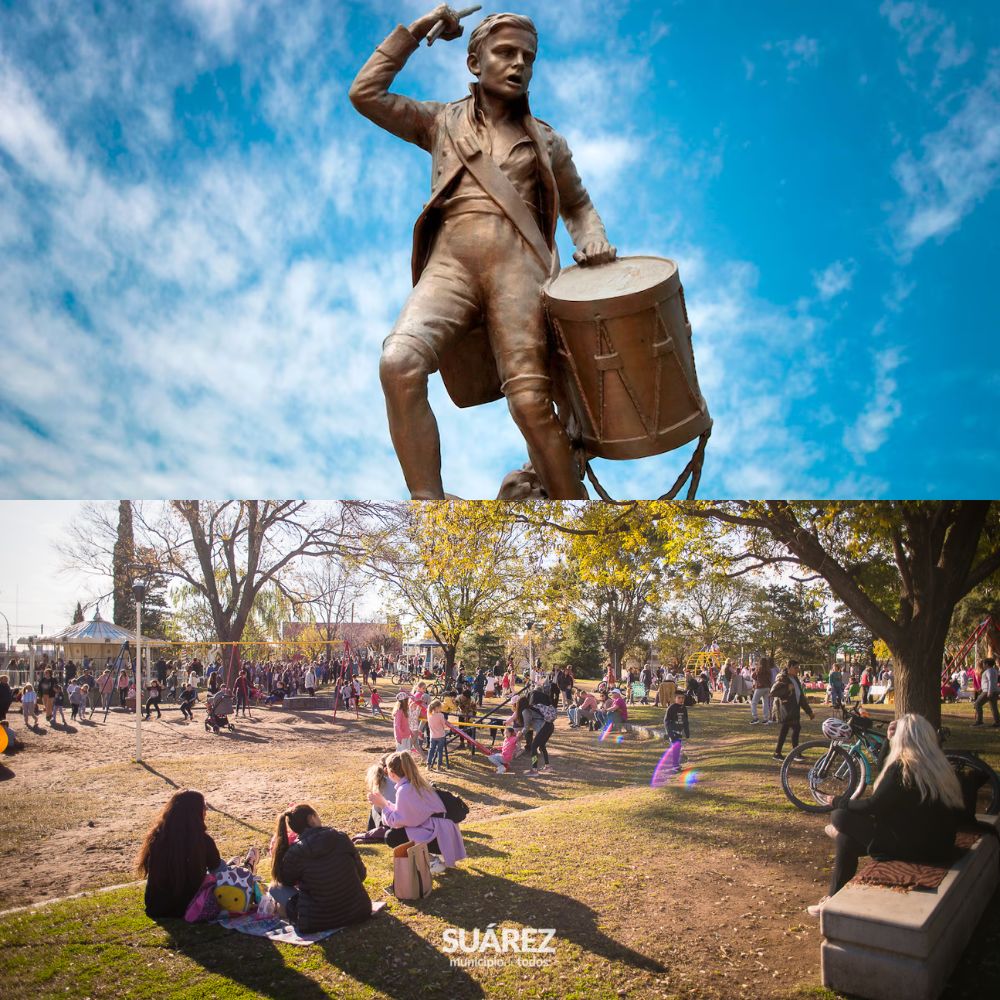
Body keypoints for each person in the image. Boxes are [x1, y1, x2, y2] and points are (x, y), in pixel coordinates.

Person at [807, 714, 965, 916]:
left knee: (840, 816)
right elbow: (885, 780)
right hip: (937, 844)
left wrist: (836, 801)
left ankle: (839, 832)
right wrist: (887, 743)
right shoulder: (938, 765)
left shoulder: (904, 768)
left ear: (901, 738)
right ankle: (832, 899)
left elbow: (872, 806)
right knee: (846, 840)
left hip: (914, 848)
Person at [268, 803, 372, 932]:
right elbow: (361, 874)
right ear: (311, 818)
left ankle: (285, 911)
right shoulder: (341, 838)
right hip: (359, 911)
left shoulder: (295, 852)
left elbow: (286, 882)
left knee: (274, 887)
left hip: (316, 921)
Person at [368, 750, 467, 878]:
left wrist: (383, 806)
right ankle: (431, 857)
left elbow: (398, 822)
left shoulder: (405, 789)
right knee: (398, 833)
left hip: (439, 836)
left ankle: (431, 861)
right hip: (444, 831)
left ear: (391, 773)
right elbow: (405, 814)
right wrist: (385, 803)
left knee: (392, 836)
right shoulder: (415, 782)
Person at [136, 789, 223, 918]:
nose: (206, 811)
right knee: (225, 873)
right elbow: (217, 869)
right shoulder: (202, 840)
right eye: (204, 807)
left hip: (157, 907)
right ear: (195, 811)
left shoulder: (158, 837)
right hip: (192, 905)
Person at [771, 661, 814, 760]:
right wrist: (787, 688)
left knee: (786, 730)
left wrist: (809, 712)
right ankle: (795, 753)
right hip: (786, 709)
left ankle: (778, 753)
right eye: (795, 668)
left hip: (794, 708)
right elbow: (773, 692)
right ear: (789, 667)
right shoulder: (782, 677)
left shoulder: (795, 678)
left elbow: (801, 696)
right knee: (795, 728)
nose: (798, 670)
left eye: (798, 667)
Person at [972, 657, 999, 727]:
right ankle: (997, 722)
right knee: (993, 707)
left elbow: (990, 681)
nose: (983, 665)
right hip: (993, 690)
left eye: (984, 663)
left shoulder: (988, 671)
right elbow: (989, 681)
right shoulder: (994, 670)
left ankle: (979, 721)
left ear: (987, 664)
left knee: (977, 704)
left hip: (988, 691)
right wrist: (981, 688)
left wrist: (989, 691)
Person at [426, 699, 449, 770]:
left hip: (432, 736)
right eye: (440, 708)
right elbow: (444, 725)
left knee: (431, 750)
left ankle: (428, 765)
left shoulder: (429, 715)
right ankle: (439, 767)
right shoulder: (440, 715)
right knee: (440, 751)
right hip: (441, 735)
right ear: (437, 707)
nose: (441, 709)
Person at [750, 657, 772, 725]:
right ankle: (766, 719)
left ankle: (755, 718)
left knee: (754, 703)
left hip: (760, 687)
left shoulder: (758, 669)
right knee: (765, 703)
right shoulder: (769, 670)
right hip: (767, 687)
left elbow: (753, 676)